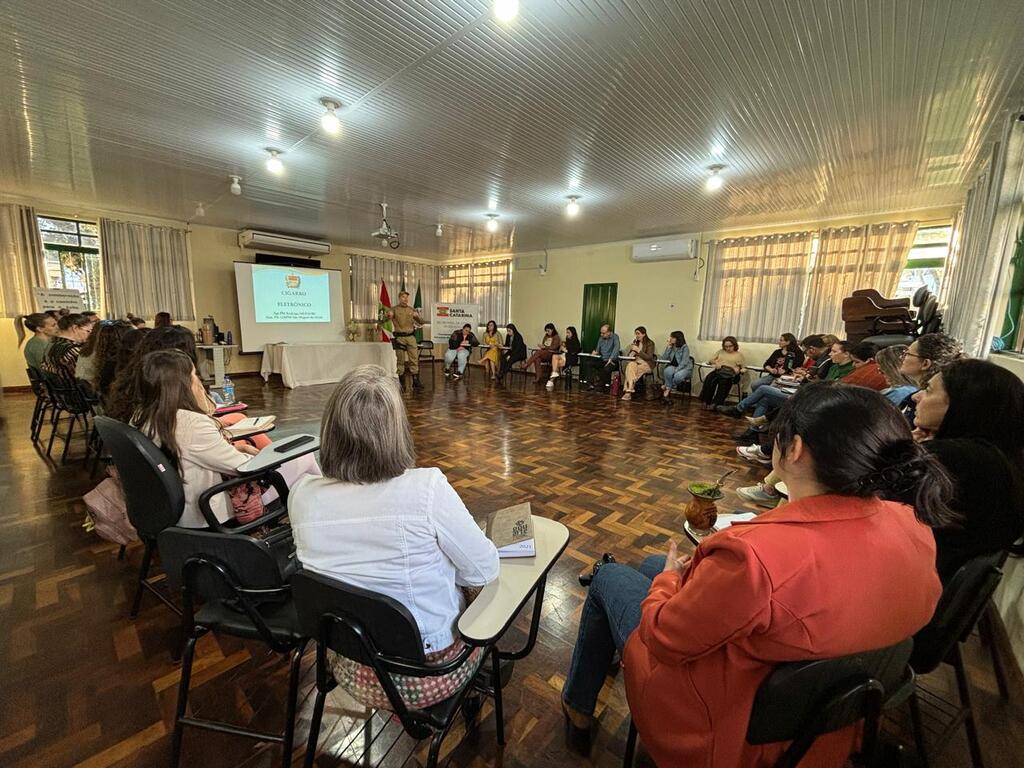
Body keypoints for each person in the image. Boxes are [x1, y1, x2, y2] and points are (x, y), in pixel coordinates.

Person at [561, 384, 950, 766]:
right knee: (649, 565)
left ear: (794, 449)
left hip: (728, 726)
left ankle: (578, 706)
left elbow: (664, 638)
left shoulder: (751, 555)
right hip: (831, 710)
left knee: (610, 576)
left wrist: (667, 581)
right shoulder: (912, 522)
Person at [289, 365, 499, 709]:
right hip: (429, 672)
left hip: (349, 663)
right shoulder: (426, 488)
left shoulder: (301, 495)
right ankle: (482, 679)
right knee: (492, 590)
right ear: (397, 431)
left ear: (331, 430)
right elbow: (484, 571)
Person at [132, 350, 321, 528]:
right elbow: (244, 468)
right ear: (182, 386)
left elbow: (193, 455)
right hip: (210, 509)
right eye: (194, 375)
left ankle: (312, 519)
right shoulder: (192, 425)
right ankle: (322, 518)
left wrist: (236, 449)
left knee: (304, 480)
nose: (199, 381)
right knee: (304, 458)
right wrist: (261, 456)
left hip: (176, 509)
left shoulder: (142, 416)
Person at [911, 359, 1024, 581]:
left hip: (915, 583)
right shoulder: (1003, 459)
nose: (917, 396)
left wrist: (915, 451)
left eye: (928, 390)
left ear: (963, 405)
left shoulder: (950, 459)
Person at [897, 333, 963, 423]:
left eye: (907, 354)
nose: (902, 357)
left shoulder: (928, 405)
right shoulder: (914, 396)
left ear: (925, 364)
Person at [386, 291, 425, 391]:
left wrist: (417, 316)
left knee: (414, 359)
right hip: (400, 337)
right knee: (400, 360)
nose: (405, 299)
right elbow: (386, 319)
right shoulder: (394, 309)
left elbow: (421, 322)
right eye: (403, 297)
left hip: (411, 337)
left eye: (407, 297)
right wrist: (388, 315)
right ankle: (401, 382)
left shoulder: (411, 309)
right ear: (399, 298)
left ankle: (415, 381)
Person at [41, 313, 92, 381]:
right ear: (75, 328)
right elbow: (87, 376)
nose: (91, 335)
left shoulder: (51, 344)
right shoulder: (73, 350)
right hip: (76, 389)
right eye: (88, 331)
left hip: (60, 388)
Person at [698, 336, 744, 409]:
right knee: (709, 379)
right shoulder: (720, 352)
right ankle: (706, 401)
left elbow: (744, 368)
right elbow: (710, 360)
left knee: (724, 383)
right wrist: (716, 362)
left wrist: (738, 369)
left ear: (734, 345)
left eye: (730, 346)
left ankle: (716, 403)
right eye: (726, 346)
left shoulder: (738, 355)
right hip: (719, 371)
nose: (728, 348)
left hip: (730, 374)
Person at [620, 326, 656, 401]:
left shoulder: (650, 343)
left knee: (631, 371)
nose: (637, 336)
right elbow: (630, 355)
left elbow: (649, 357)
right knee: (630, 365)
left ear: (644, 334)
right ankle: (630, 388)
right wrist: (631, 353)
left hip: (647, 364)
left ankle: (628, 392)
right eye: (636, 334)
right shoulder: (636, 342)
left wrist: (638, 351)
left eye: (638, 334)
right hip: (636, 362)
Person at [586, 324, 621, 391]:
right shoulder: (601, 338)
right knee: (589, 363)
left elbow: (616, 348)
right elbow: (597, 350)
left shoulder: (615, 337)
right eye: (601, 333)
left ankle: (600, 385)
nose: (601, 334)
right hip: (603, 359)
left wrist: (611, 358)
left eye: (603, 333)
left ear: (609, 332)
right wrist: (595, 352)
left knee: (606, 368)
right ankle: (591, 384)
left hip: (613, 361)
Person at [660, 331, 692, 399]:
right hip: (674, 366)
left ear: (678, 338)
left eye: (672, 337)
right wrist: (668, 348)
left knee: (678, 376)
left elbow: (684, 362)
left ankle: (668, 387)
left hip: (685, 368)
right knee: (667, 371)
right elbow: (664, 358)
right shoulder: (671, 346)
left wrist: (676, 370)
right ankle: (669, 387)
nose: (670, 339)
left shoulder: (685, 347)